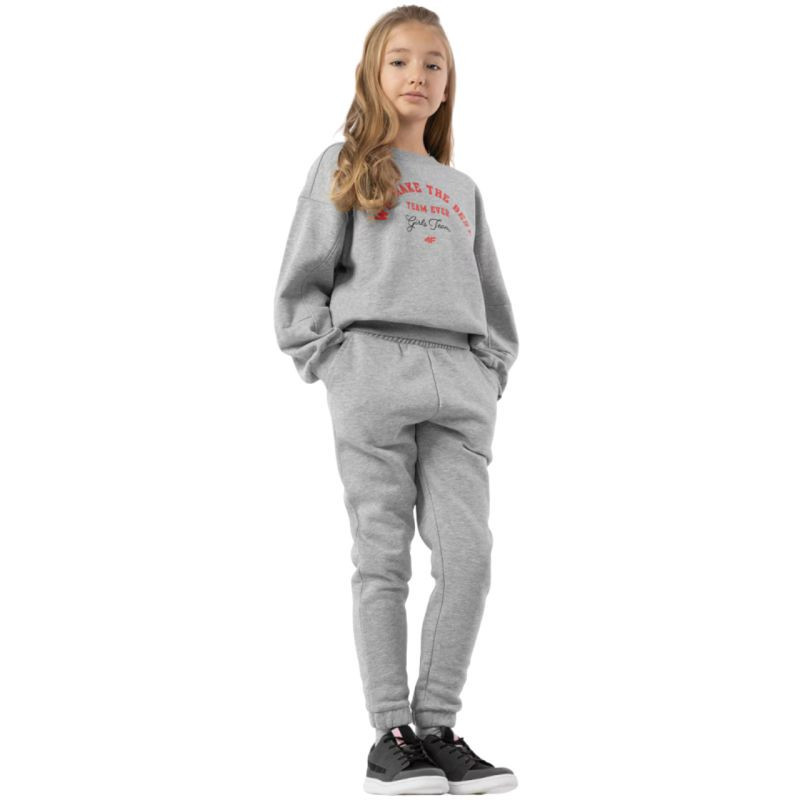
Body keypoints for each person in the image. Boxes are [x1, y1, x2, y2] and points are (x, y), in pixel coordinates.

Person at [274, 5, 519, 794]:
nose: (418, 75)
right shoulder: (344, 163)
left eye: (434, 64)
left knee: (468, 557)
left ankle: (438, 725)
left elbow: (492, 299)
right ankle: (392, 734)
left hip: (459, 380)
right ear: (373, 75)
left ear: (449, 85)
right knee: (382, 557)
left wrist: (489, 369)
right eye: (401, 61)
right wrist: (333, 359)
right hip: (373, 369)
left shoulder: (462, 189)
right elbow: (300, 284)